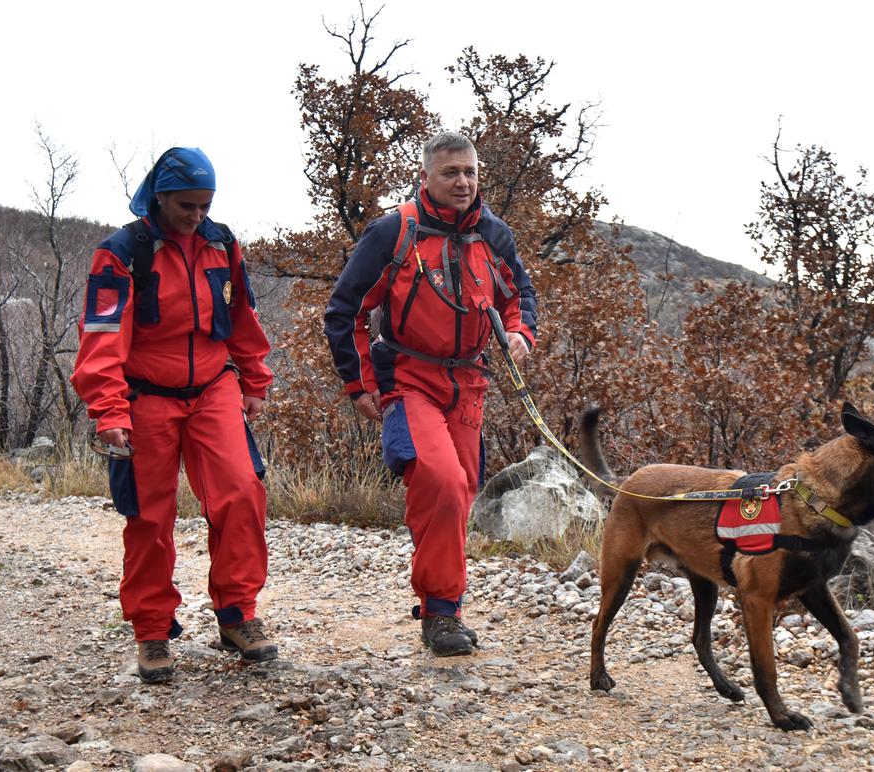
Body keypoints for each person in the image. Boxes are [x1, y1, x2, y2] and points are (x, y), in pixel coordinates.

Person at [324, 131, 538, 656]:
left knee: (461, 489)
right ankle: (440, 613)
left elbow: (520, 295)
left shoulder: (494, 233)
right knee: (439, 480)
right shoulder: (392, 232)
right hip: (407, 375)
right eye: (450, 173)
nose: (462, 182)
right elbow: (344, 310)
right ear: (426, 177)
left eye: (469, 172)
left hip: (469, 382)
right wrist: (359, 385)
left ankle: (444, 609)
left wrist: (519, 333)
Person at [71, 147, 277, 683]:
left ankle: (238, 615)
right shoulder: (121, 253)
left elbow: (242, 314)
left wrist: (254, 378)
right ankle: (152, 630)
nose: (197, 216)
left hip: (213, 388)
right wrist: (108, 409)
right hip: (145, 398)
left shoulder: (220, 243)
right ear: (160, 196)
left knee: (241, 491)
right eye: (187, 205)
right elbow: (100, 336)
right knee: (148, 515)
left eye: (206, 205)